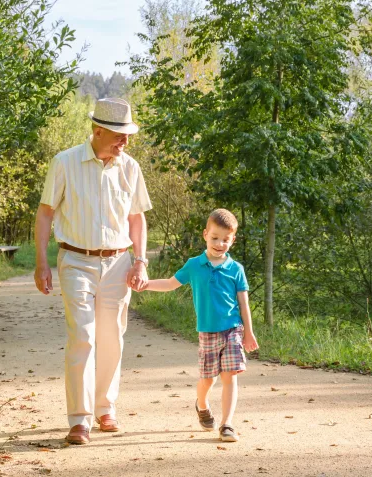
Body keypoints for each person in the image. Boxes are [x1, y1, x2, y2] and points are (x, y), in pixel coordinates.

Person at [33, 98, 152, 445]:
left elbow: (136, 218)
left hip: (118, 263)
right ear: (97, 131)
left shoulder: (130, 168)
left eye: (128, 135)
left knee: (112, 337)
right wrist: (41, 261)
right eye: (119, 135)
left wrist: (140, 260)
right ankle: (79, 419)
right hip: (75, 260)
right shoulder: (65, 163)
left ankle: (105, 409)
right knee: (82, 335)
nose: (125, 142)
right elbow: (45, 213)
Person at [142, 209, 258, 442]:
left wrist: (249, 333)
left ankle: (227, 424)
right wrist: (145, 285)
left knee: (230, 376)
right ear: (205, 234)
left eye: (225, 239)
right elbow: (170, 283)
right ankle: (202, 404)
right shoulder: (194, 265)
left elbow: (244, 304)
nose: (219, 243)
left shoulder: (236, 269)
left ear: (232, 240)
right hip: (208, 331)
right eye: (215, 238)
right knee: (208, 379)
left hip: (233, 329)